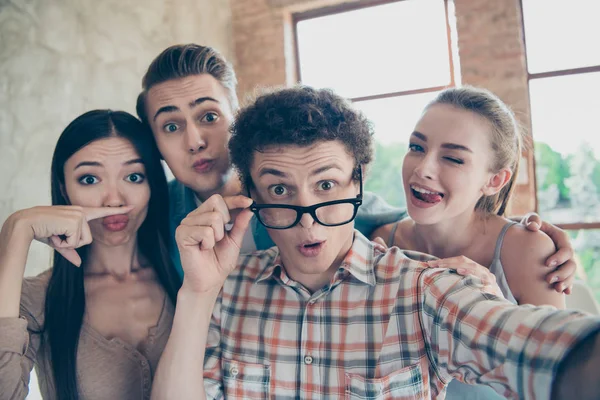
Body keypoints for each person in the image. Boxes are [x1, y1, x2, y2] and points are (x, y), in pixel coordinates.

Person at [151, 86, 600, 399]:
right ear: (252, 194)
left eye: (326, 186)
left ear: (357, 183)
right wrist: (198, 292)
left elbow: (530, 345)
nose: (310, 223)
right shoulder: (228, 288)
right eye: (281, 191)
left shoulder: (426, 287)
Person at [135, 43, 577, 291]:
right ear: (155, 142)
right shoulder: (153, 219)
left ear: (238, 115)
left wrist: (518, 234)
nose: (195, 139)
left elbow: (422, 223)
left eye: (209, 116)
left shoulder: (351, 216)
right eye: (171, 126)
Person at [372, 86, 565, 399]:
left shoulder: (528, 252)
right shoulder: (381, 241)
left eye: (452, 158)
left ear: (494, 181)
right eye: (416, 147)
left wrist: (490, 308)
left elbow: (554, 381)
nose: (422, 169)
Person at [0, 110, 181, 399]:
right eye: (89, 179)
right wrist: (16, 230)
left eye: (134, 176)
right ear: (64, 189)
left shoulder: (185, 277)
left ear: (153, 186)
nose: (113, 200)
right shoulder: (36, 298)